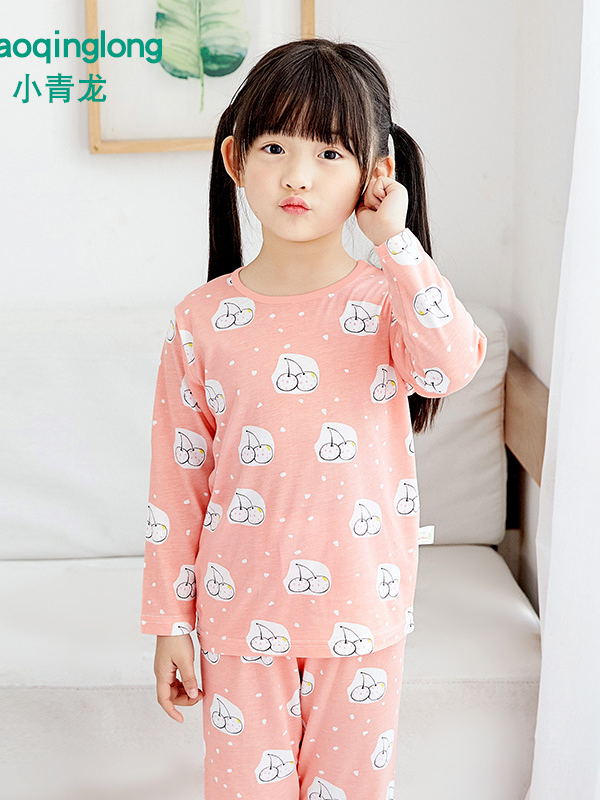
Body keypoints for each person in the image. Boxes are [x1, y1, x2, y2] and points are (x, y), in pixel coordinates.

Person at [140, 37, 487, 800]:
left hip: (362, 614)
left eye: (330, 153)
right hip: (239, 618)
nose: (298, 175)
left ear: (374, 175)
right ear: (235, 160)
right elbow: (177, 484)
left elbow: (451, 365)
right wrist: (169, 622)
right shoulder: (202, 319)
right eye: (275, 147)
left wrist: (396, 244)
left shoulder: (389, 301)